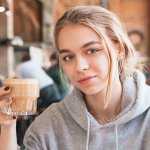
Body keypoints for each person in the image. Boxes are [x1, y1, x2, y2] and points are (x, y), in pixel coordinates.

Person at [0, 5, 150, 150]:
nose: (79, 66)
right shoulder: (49, 124)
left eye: (92, 50)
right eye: (68, 57)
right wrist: (7, 126)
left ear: (119, 49)